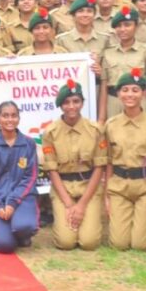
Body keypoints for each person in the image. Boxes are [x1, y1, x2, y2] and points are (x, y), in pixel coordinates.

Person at [104, 69, 146, 251]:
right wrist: (107, 197)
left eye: (135, 90)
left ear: (144, 93)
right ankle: (137, 220)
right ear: (118, 94)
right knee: (119, 244)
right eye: (125, 90)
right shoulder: (110, 125)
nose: (130, 95)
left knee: (140, 244)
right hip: (119, 187)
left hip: (145, 187)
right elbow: (108, 163)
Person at [41, 80, 106, 251]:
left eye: (76, 101)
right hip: (63, 188)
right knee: (66, 242)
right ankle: (68, 223)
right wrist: (70, 204)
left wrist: (82, 205)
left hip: (88, 187)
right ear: (61, 105)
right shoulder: (51, 132)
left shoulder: (95, 130)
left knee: (89, 243)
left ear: (82, 103)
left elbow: (99, 167)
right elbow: (52, 170)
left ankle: (84, 221)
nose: (72, 106)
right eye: (66, 102)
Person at [0, 101, 39, 254]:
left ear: (18, 118)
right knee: (5, 246)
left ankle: (20, 233)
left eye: (13, 116)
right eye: (5, 116)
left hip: (21, 198)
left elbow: (30, 177)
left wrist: (12, 203)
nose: (10, 120)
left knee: (26, 226)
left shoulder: (28, 144)